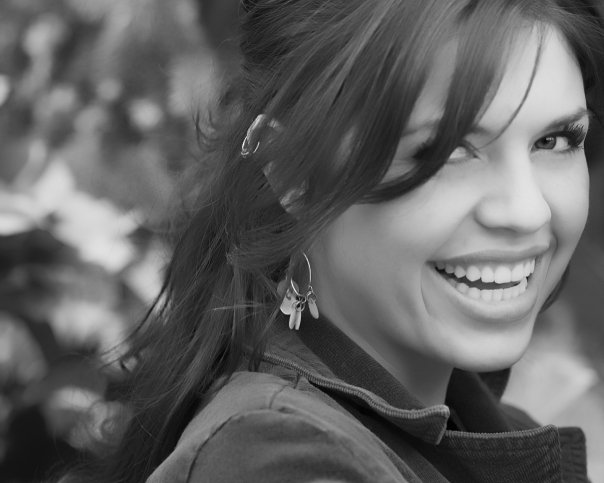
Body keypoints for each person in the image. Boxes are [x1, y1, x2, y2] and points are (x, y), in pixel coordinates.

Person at [63, 0, 604, 481]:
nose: (528, 211)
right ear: (291, 172)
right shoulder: (280, 457)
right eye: (448, 150)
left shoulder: (480, 427)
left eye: (555, 140)